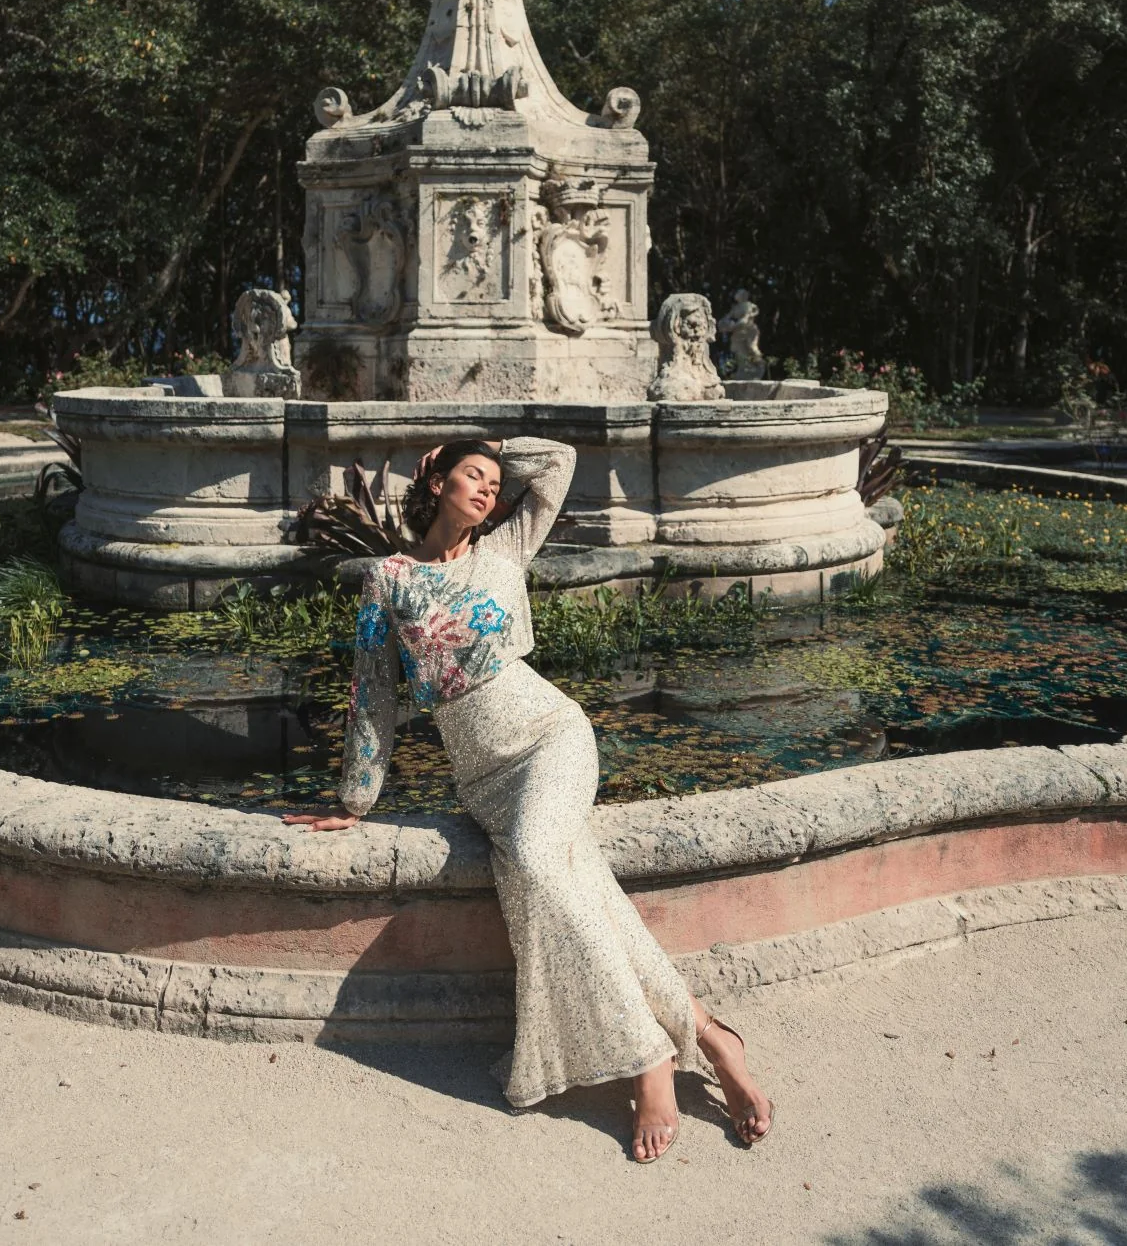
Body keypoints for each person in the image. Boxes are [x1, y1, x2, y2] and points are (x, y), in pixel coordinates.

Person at [285, 437, 773, 1162]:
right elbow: (373, 697)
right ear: (436, 482)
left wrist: (494, 449)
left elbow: (559, 463)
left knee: (540, 865)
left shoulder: (508, 548)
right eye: (471, 477)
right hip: (485, 779)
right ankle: (711, 1036)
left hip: (550, 737)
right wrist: (356, 800)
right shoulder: (386, 579)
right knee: (581, 890)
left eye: (492, 482)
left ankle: (649, 1061)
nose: (486, 489)